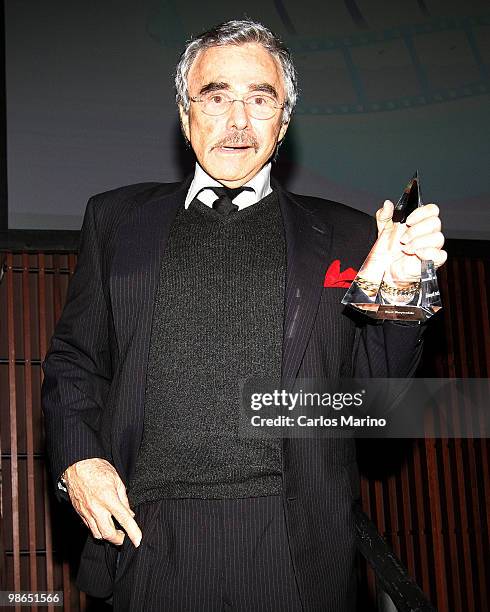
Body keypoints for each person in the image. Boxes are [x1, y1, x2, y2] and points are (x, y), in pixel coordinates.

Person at [41, 19, 447, 612]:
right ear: (185, 115)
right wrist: (78, 458)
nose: (237, 122)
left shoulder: (348, 233)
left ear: (283, 122)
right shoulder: (115, 221)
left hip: (293, 549)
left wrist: (401, 288)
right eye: (216, 97)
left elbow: (375, 406)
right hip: (144, 539)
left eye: (260, 100)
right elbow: (76, 361)